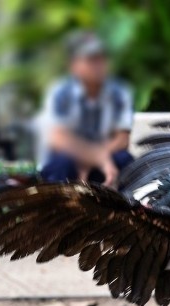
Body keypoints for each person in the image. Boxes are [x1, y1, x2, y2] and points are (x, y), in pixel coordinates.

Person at [40, 32, 134, 189]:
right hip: (71, 160)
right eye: (91, 60)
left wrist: (98, 158)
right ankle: (59, 208)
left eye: (101, 58)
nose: (98, 65)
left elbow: (122, 139)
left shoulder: (120, 93)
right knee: (61, 162)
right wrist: (97, 157)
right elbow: (58, 139)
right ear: (74, 65)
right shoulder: (60, 93)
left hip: (105, 160)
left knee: (125, 160)